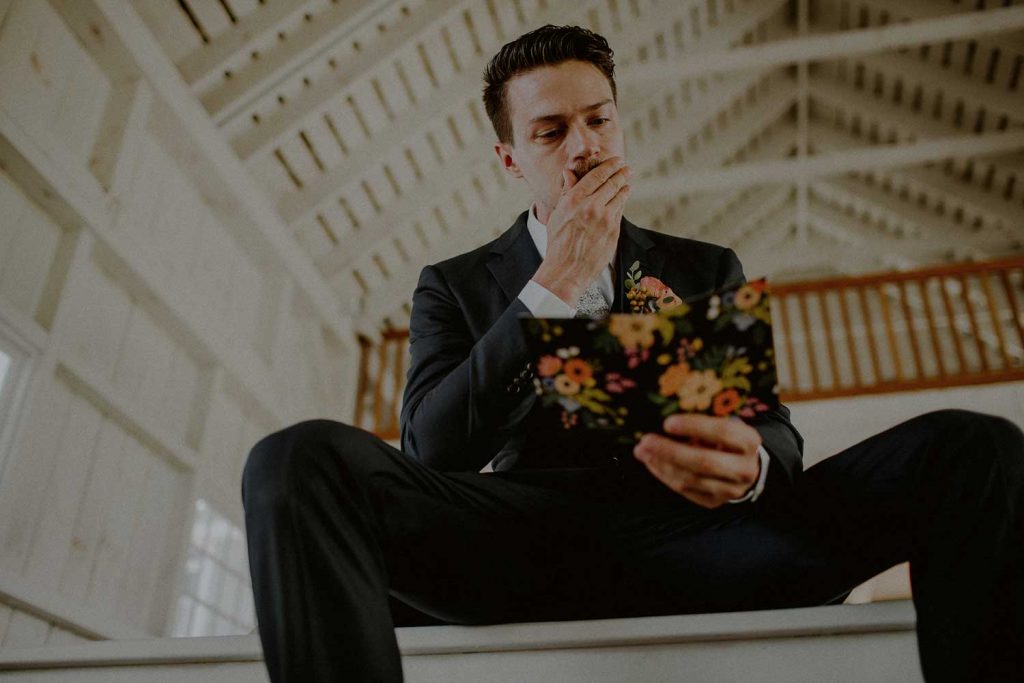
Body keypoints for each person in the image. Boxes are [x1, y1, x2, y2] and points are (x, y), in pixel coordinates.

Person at [241, 25, 1024, 683]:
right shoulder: (449, 284)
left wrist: (749, 464)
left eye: (600, 120)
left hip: (707, 541)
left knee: (976, 447)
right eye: (551, 132)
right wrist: (551, 286)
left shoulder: (704, 265)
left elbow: (775, 429)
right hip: (525, 546)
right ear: (511, 159)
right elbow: (431, 448)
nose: (583, 147)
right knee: (293, 461)